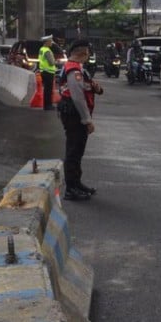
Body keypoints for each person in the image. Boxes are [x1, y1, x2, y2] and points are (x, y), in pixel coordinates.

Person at [57, 39, 104, 201]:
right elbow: (77, 98)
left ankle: (76, 183)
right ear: (82, 53)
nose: (89, 55)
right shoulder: (74, 70)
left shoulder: (76, 68)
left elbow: (83, 88)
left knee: (77, 151)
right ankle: (71, 188)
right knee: (73, 152)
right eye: (88, 53)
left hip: (73, 113)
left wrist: (96, 88)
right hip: (74, 115)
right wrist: (87, 120)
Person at [38, 34, 57, 111]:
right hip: (48, 72)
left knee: (46, 89)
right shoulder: (47, 51)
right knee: (48, 90)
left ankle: (46, 105)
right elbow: (51, 62)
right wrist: (55, 61)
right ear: (46, 42)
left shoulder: (41, 49)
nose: (51, 42)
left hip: (43, 71)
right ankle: (48, 106)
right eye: (50, 41)